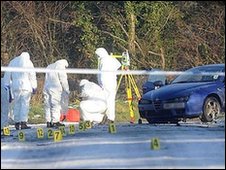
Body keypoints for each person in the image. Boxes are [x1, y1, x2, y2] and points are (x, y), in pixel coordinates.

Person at [4, 52, 37, 130]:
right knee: (24, 104)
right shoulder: (28, 62)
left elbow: (7, 74)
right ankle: (23, 122)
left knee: (16, 104)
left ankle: (17, 122)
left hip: (15, 86)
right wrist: (34, 87)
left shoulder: (13, 62)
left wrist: (7, 84)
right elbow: (32, 75)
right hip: (26, 85)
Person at [95, 47, 121, 124]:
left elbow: (102, 74)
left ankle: (108, 118)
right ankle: (109, 117)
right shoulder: (111, 58)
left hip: (106, 83)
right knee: (110, 100)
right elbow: (118, 67)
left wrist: (102, 84)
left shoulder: (104, 61)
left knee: (106, 101)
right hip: (112, 82)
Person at [43, 59, 69, 128]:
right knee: (55, 104)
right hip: (55, 87)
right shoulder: (60, 66)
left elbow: (46, 78)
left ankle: (48, 121)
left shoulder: (49, 66)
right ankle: (55, 121)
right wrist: (67, 89)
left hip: (47, 87)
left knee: (48, 105)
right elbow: (63, 79)